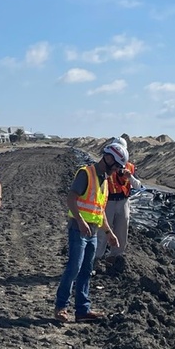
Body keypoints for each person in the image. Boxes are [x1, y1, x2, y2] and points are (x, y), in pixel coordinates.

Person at [54, 142, 127, 323]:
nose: (116, 170)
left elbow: (99, 210)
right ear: (108, 158)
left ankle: (82, 310)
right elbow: (71, 198)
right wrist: (80, 221)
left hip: (92, 231)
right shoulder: (86, 173)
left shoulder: (104, 180)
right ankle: (61, 307)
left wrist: (109, 232)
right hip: (78, 229)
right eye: (116, 165)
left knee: (86, 270)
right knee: (74, 268)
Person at [96, 136, 141, 267]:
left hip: (123, 201)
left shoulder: (130, 167)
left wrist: (129, 176)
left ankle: (115, 257)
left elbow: (138, 185)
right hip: (107, 201)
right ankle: (97, 257)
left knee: (121, 230)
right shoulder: (106, 165)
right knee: (104, 230)